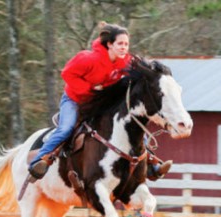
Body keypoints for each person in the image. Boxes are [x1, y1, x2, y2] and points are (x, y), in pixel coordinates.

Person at [28, 22, 172, 181]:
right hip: (75, 100)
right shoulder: (87, 58)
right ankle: (38, 162)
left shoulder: (127, 61)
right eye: (120, 44)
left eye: (126, 44)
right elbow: (67, 74)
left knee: (131, 124)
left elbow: (143, 71)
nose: (124, 47)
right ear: (110, 44)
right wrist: (90, 89)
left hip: (101, 102)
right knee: (66, 129)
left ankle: (151, 164)